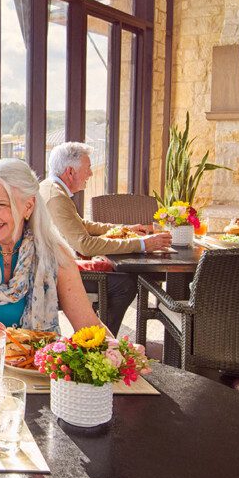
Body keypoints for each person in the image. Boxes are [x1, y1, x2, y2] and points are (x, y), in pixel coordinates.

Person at [0, 158, 106, 351]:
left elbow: (89, 326)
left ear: (28, 206)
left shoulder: (55, 255)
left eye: (1, 204)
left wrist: (121, 351)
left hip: (31, 365)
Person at [39, 142, 171, 334]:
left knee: (123, 278)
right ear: (70, 172)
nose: (91, 174)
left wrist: (124, 228)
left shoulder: (51, 188)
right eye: (88, 168)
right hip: (54, 276)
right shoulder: (56, 197)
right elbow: (85, 246)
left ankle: (97, 337)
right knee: (125, 284)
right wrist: (143, 243)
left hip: (53, 268)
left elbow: (82, 225)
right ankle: (99, 343)